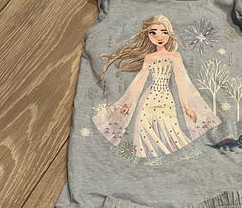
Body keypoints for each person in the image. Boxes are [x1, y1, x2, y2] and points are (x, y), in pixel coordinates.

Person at [92, 14, 221, 157]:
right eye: (153, 33)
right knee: (142, 126)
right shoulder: (149, 58)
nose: (159, 37)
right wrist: (128, 102)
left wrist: (186, 107)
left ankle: (170, 158)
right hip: (149, 99)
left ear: (170, 33)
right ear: (147, 35)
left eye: (164, 32)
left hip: (166, 99)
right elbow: (140, 80)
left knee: (170, 130)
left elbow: (181, 81)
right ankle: (143, 159)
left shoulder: (175, 56)